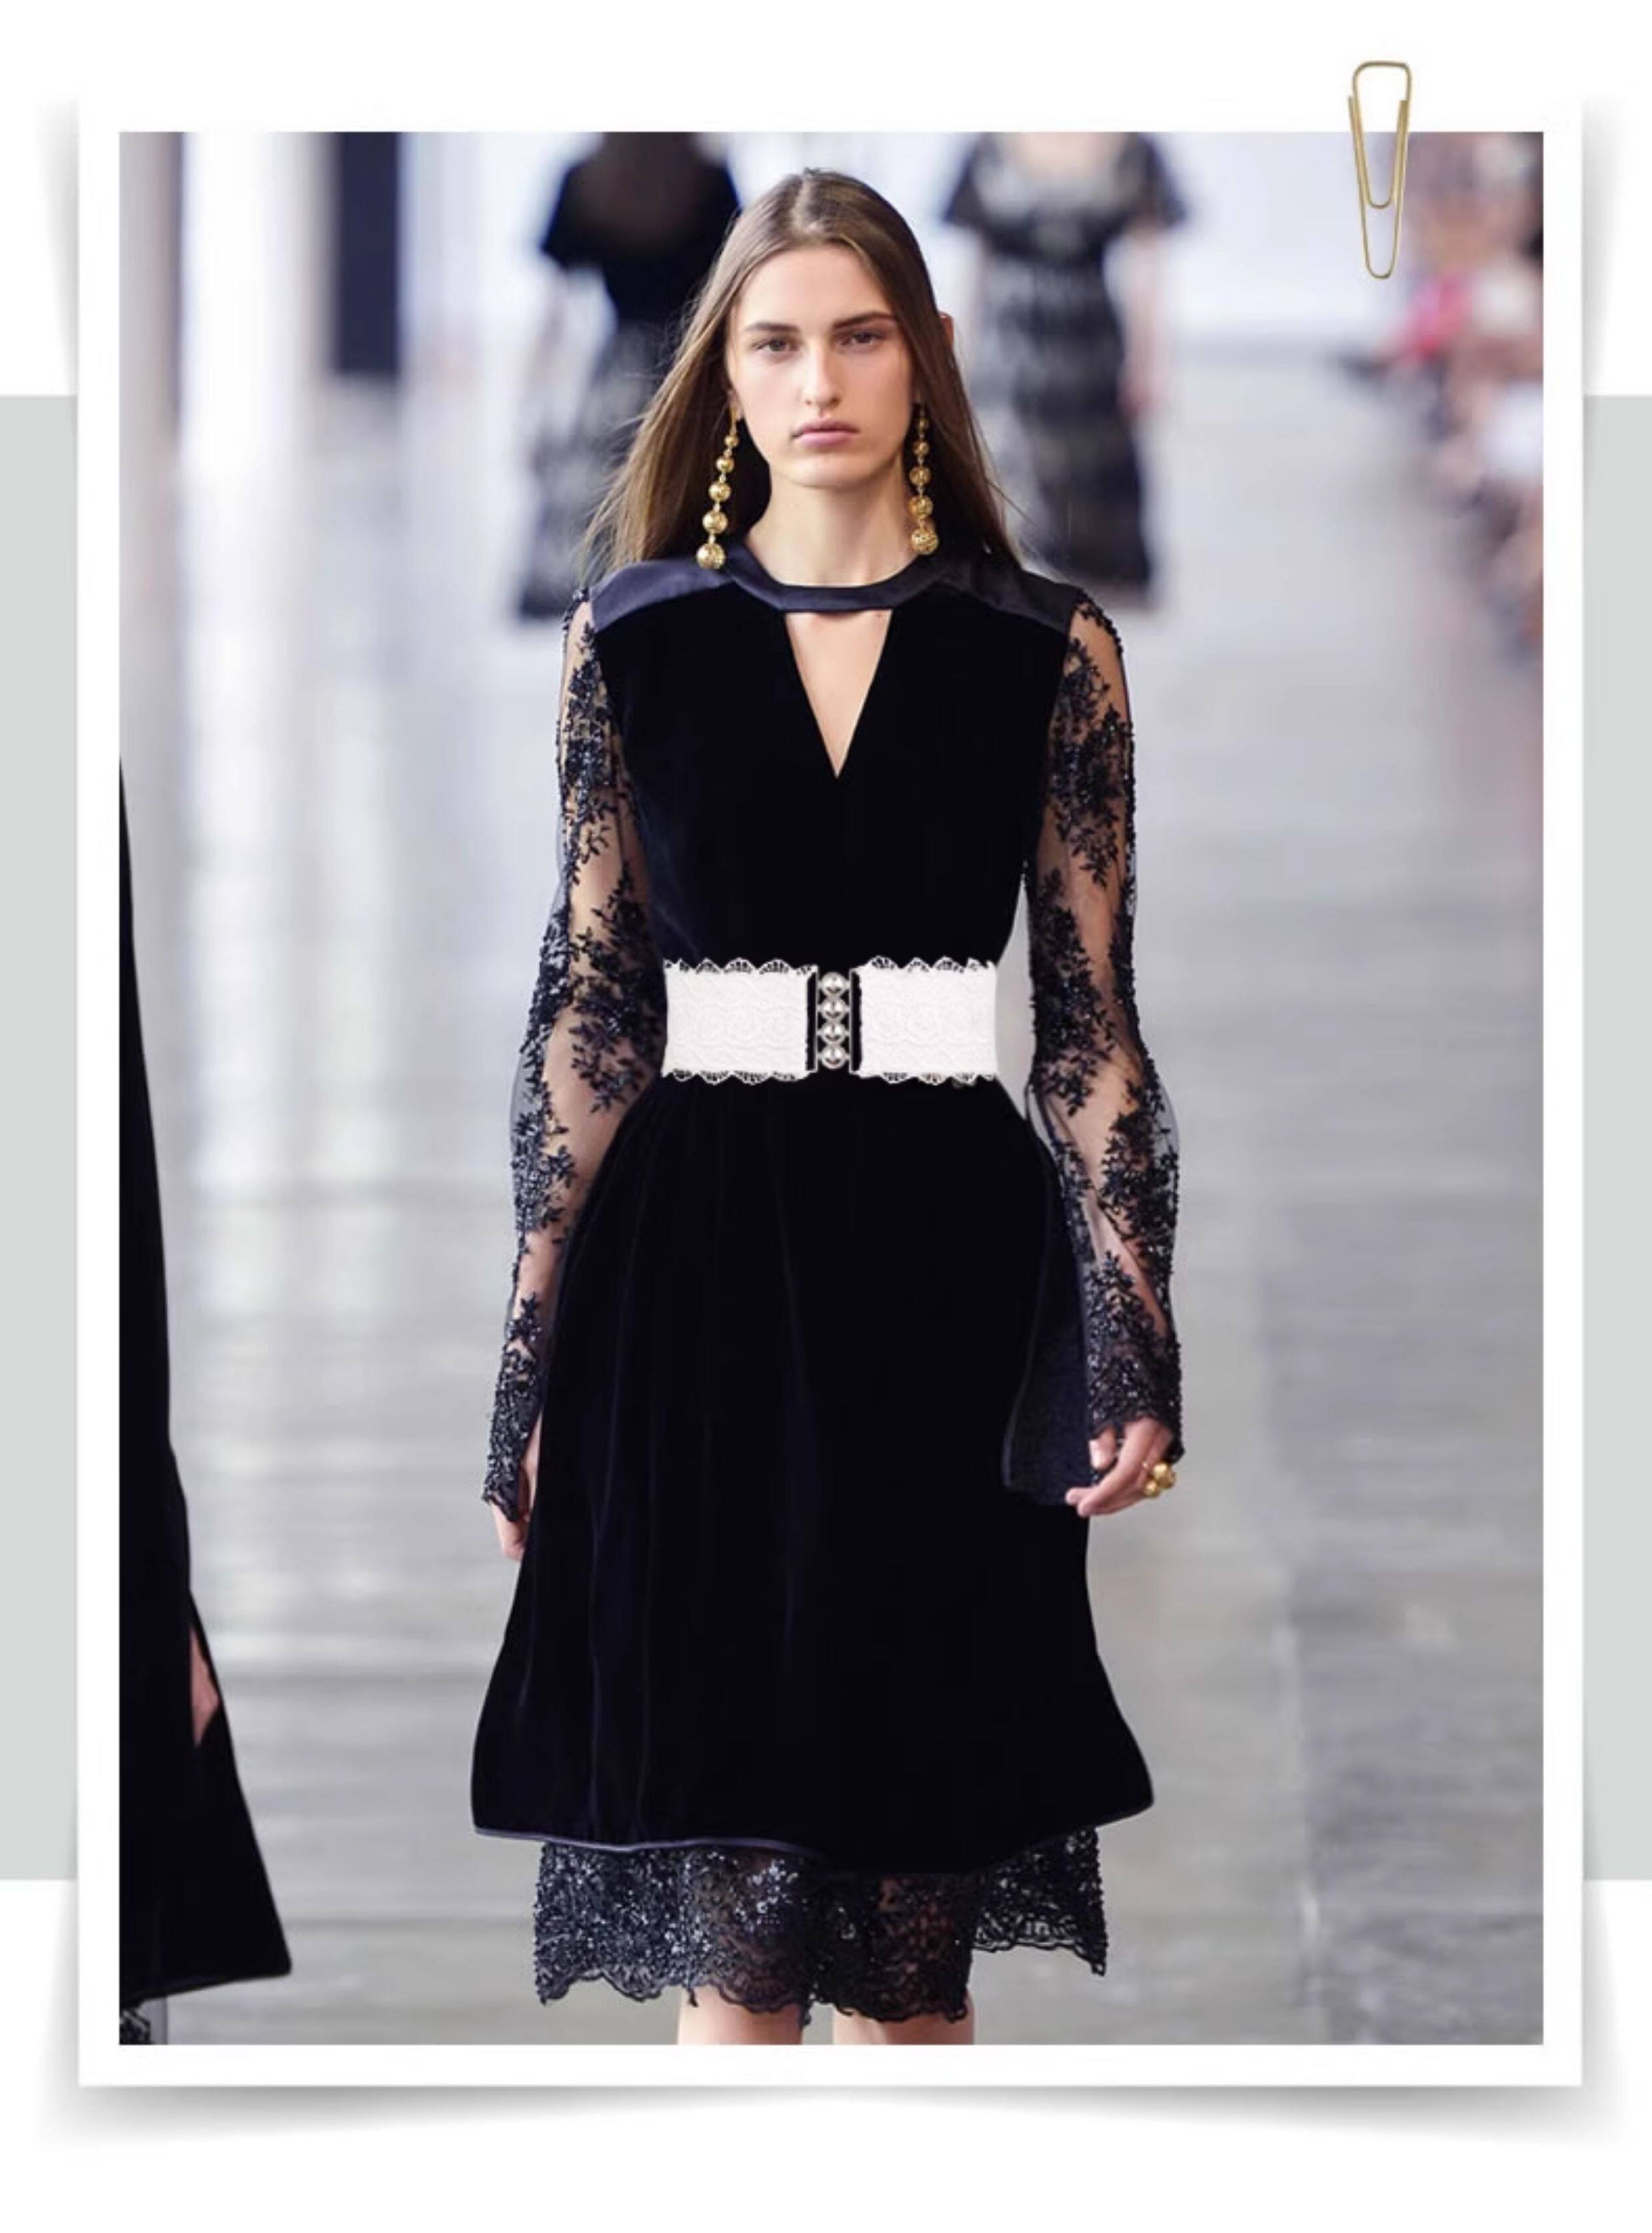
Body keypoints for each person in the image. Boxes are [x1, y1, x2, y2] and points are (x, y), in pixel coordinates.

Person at [470, 167, 1186, 2047]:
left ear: (926, 352)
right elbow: (591, 1007)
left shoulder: (1046, 646)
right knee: (745, 1928)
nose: (818, 380)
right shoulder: (634, 635)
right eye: (775, 341)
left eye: (859, 335)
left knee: (914, 1939)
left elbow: (1090, 1026)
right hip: (692, 1277)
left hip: (954, 1271)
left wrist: (1132, 1316)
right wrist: (530, 1355)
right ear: (723, 368)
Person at [941, 131, 1189, 603]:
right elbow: (974, 264)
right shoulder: (990, 147)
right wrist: (956, 358)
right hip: (1007, 344)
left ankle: (1079, 609)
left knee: (1087, 476)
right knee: (1010, 470)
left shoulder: (1132, 151)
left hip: (1090, 345)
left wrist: (1149, 362)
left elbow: (1148, 267)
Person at [515, 134, 741, 620]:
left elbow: (555, 313)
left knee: (606, 530)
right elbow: (730, 296)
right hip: (687, 371)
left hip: (617, 381)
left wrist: (533, 411)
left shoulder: (585, 182)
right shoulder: (708, 180)